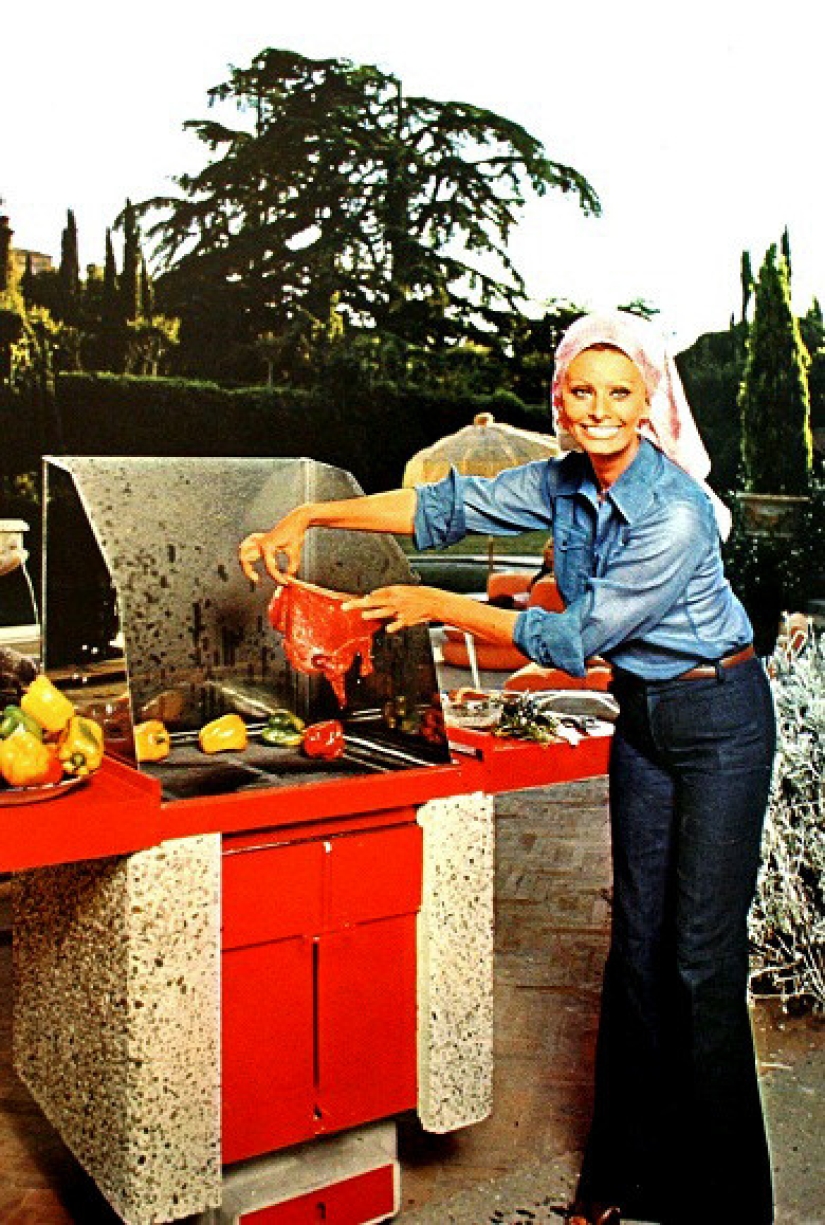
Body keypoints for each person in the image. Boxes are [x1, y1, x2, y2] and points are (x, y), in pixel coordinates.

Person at [239, 310, 776, 1225]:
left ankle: (730, 1207)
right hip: (646, 719)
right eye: (581, 391)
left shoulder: (675, 512)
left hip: (719, 719)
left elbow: (572, 639)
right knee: (636, 950)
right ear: (560, 401)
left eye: (619, 393)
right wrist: (314, 511)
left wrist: (439, 602)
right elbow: (442, 507)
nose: (598, 409)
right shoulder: (562, 480)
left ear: (646, 403)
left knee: (697, 963)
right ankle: (620, 1179)